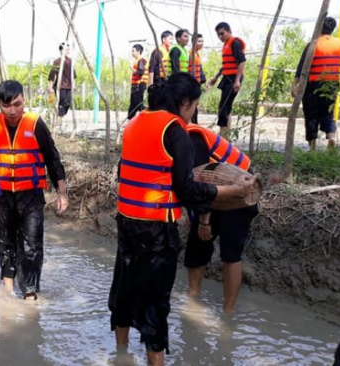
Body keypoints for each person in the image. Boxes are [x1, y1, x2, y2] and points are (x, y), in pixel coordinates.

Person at [108, 73, 258, 366]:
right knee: (154, 303)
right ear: (184, 103)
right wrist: (235, 189)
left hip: (127, 222)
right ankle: (155, 361)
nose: (193, 113)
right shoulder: (177, 132)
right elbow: (188, 189)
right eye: (194, 106)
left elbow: (128, 171)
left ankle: (122, 355)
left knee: (124, 290)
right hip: (156, 230)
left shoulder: (135, 122)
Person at [0, 80, 68, 301]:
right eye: (7, 106)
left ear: (23, 100)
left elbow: (52, 158)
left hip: (31, 197)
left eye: (17, 104)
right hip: (2, 196)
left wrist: (61, 190)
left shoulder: (35, 124)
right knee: (6, 242)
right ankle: (7, 290)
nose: (13, 110)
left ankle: (29, 293)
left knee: (31, 245)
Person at [184, 123, 258, 313]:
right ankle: (193, 300)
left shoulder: (191, 139)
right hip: (216, 188)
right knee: (196, 246)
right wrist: (192, 215)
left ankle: (228, 311)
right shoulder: (179, 135)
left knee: (231, 253)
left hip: (240, 191)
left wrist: (203, 221)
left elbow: (202, 181)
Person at [292, 16, 340, 150]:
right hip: (332, 85)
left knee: (311, 115)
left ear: (319, 27)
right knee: (328, 113)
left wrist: (295, 85)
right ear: (333, 29)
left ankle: (313, 148)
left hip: (313, 86)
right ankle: (331, 137)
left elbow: (301, 67)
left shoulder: (313, 45)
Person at [209, 22, 246, 136]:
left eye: (222, 33)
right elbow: (226, 65)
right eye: (218, 35)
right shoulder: (226, 44)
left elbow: (242, 61)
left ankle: (223, 135)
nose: (220, 37)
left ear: (229, 31)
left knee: (224, 106)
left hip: (233, 78)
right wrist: (216, 77)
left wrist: (237, 80)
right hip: (227, 77)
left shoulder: (234, 42)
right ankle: (226, 135)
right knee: (226, 106)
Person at [48, 43, 77, 118]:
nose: (68, 51)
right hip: (60, 87)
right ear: (61, 50)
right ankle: (59, 119)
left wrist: (74, 85)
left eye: (68, 49)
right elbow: (52, 75)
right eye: (66, 50)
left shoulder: (70, 61)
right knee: (62, 104)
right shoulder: (57, 61)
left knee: (68, 103)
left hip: (69, 87)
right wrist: (50, 87)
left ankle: (60, 116)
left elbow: (73, 75)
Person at [190, 34, 207, 124]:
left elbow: (200, 70)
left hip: (197, 83)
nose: (201, 43)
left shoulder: (198, 55)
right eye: (199, 41)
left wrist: (204, 81)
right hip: (191, 84)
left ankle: (194, 123)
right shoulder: (190, 54)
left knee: (195, 105)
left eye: (202, 41)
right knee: (192, 106)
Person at [128, 44, 148, 120]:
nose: (132, 53)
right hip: (135, 85)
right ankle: (130, 119)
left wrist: (132, 69)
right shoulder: (137, 60)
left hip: (139, 85)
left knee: (138, 103)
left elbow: (140, 72)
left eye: (133, 51)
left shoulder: (141, 60)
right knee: (133, 104)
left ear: (138, 51)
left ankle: (147, 118)